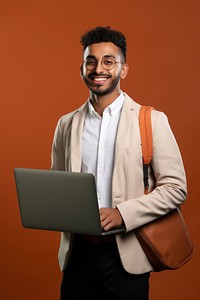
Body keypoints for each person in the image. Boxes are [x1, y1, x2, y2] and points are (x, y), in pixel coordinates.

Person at [51, 26, 187, 300]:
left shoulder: (151, 120)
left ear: (123, 70)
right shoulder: (66, 125)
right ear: (81, 69)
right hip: (77, 254)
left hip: (128, 254)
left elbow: (176, 188)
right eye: (91, 61)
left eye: (108, 61)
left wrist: (122, 213)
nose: (98, 68)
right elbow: (58, 187)